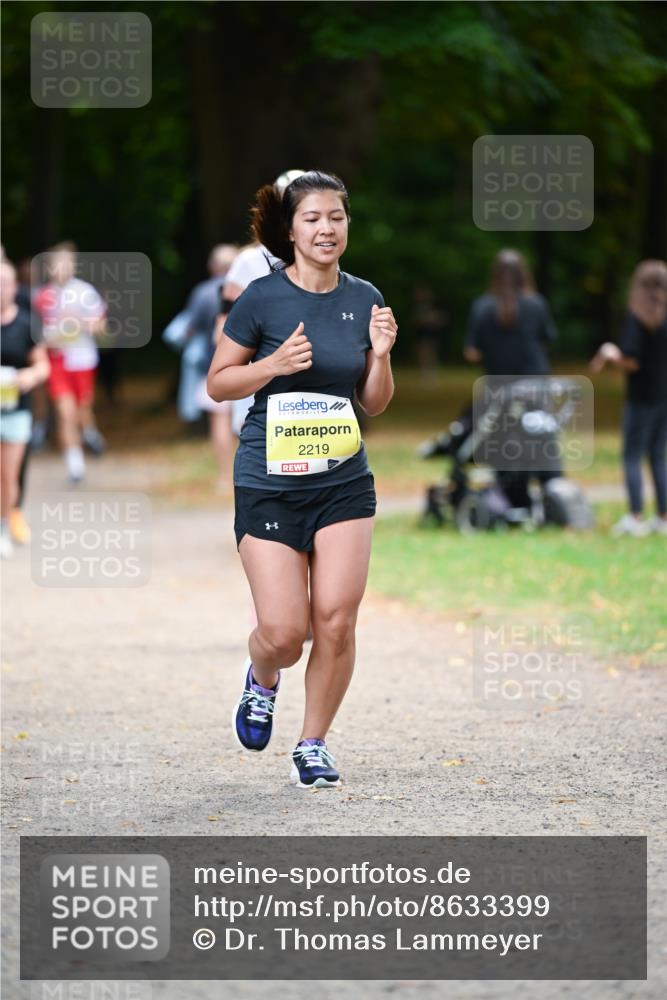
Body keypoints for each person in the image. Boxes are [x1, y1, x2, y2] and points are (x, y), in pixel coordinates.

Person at [207, 170, 398, 788]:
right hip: (269, 481)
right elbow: (219, 383)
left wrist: (383, 354)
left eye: (337, 217)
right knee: (286, 634)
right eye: (313, 218)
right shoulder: (261, 298)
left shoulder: (365, 295)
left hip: (343, 481)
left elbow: (374, 402)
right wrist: (273, 365)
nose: (326, 228)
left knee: (336, 622)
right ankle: (262, 677)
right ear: (290, 230)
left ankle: (313, 743)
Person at [464, 249, 559, 509]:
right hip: (536, 387)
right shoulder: (536, 303)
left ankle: (509, 497)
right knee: (541, 441)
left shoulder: (482, 306)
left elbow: (471, 352)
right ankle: (552, 491)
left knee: (503, 444)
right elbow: (547, 339)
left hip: (499, 389)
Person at [591, 259, 667, 536]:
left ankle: (635, 517)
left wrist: (612, 353)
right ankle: (663, 517)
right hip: (664, 395)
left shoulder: (638, 318)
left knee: (632, 455)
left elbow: (632, 361)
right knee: (658, 455)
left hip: (641, 397)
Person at [33, 243, 107, 483]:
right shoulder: (42, 296)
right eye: (56, 265)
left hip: (82, 358)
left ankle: (90, 433)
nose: (60, 269)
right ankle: (76, 466)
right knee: (66, 413)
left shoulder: (85, 292)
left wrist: (79, 322)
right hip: (57, 360)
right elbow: (36, 334)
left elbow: (101, 327)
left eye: (66, 264)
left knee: (83, 409)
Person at [1, 260, 50, 558]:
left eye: (5, 284)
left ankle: (5, 524)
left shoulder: (26, 324)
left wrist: (29, 376)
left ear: (14, 287)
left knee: (8, 475)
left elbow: (42, 364)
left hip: (16, 410)